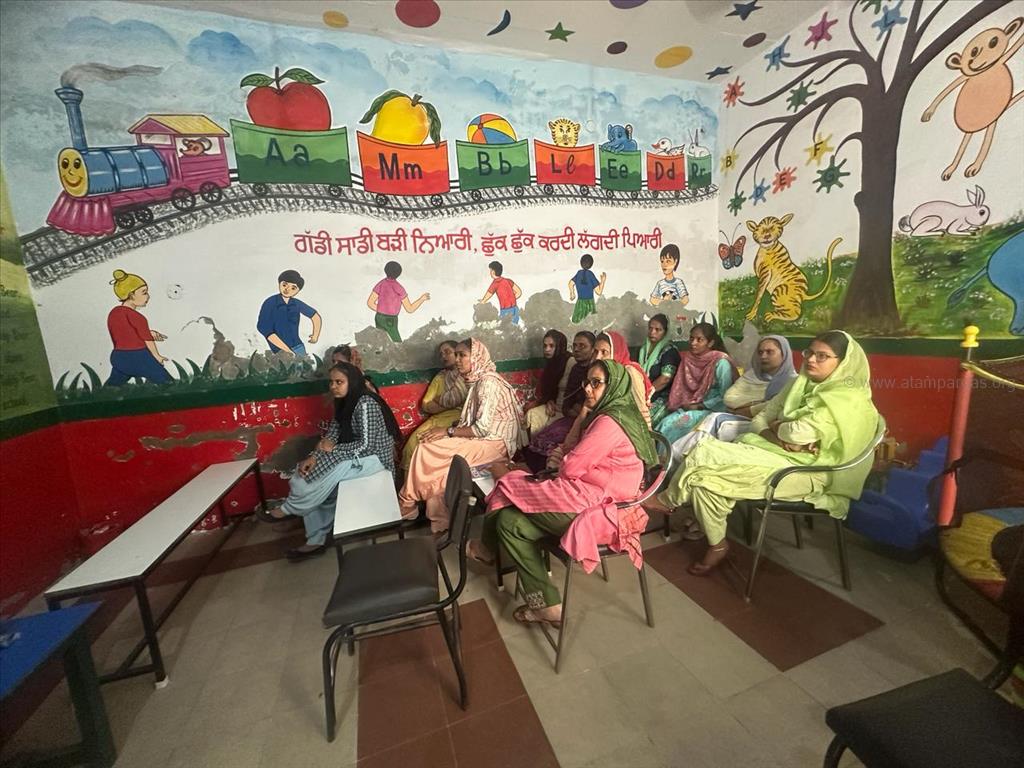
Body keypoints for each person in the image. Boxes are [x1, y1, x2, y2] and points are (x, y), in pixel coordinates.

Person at [647, 331, 879, 576]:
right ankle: (717, 544)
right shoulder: (799, 384)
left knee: (704, 456)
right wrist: (776, 433)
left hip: (810, 471)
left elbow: (796, 433)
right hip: (774, 452)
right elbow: (761, 418)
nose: (811, 359)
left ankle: (669, 500)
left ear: (842, 363)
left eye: (822, 356)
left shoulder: (849, 400)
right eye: (810, 352)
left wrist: (781, 427)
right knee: (703, 478)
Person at [467, 359, 657, 626]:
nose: (588, 389)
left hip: (606, 511)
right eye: (587, 382)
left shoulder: (610, 422)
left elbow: (569, 466)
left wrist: (568, 463)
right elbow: (568, 453)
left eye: (596, 383)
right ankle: (548, 606)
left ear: (614, 386)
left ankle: (486, 548)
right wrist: (581, 417)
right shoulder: (606, 414)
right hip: (591, 495)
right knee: (509, 522)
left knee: (510, 485)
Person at [262, 362, 401, 561]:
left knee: (318, 480)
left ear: (352, 382)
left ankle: (288, 509)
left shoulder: (365, 403)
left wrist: (333, 450)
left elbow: (367, 445)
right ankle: (315, 541)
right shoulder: (343, 402)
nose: (333, 387)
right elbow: (333, 434)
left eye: (339, 382)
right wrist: (314, 456)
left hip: (375, 460)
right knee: (316, 481)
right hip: (355, 454)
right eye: (331, 382)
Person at [400, 338, 525, 533]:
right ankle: (441, 524)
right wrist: (448, 431)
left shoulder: (488, 383)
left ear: (476, 357)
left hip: (495, 444)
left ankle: (407, 502)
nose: (457, 360)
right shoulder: (476, 381)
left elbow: (482, 429)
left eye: (462, 355)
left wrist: (447, 431)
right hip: (482, 439)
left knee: (426, 451)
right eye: (456, 355)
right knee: (438, 469)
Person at [672, 335, 797, 460]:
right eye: (760, 352)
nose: (763, 356)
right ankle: (677, 455)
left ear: (784, 354)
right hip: (744, 417)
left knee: (716, 420)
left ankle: (675, 456)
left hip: (767, 425)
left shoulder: (793, 382)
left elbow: (775, 408)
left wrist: (750, 408)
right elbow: (729, 399)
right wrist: (758, 404)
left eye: (769, 352)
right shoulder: (753, 375)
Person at [521, 331, 595, 471]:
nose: (577, 349)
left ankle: (550, 470)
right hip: (568, 412)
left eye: (582, 346)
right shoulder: (576, 369)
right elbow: (564, 397)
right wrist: (551, 401)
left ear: (592, 349)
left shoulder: (593, 371)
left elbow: (586, 403)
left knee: (550, 441)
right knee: (539, 438)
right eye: (575, 346)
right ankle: (538, 471)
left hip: (583, 416)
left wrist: (578, 410)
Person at [654, 322, 736, 444]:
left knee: (673, 425)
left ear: (710, 343)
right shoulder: (688, 358)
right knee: (662, 424)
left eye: (699, 340)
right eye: (691, 338)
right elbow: (681, 387)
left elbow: (726, 397)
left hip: (712, 409)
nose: (693, 343)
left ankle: (672, 455)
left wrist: (699, 405)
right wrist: (687, 404)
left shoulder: (720, 363)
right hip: (687, 405)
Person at [400, 341, 469, 469]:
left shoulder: (470, 376)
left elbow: (464, 398)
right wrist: (448, 403)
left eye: (447, 352)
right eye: (441, 354)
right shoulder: (441, 377)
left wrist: (440, 400)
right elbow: (426, 405)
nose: (444, 357)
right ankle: (413, 479)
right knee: (414, 443)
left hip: (464, 418)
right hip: (441, 418)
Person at [105, 269, 172, 385]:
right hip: (138, 356)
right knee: (167, 382)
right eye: (144, 292)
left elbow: (124, 333)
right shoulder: (138, 317)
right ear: (131, 295)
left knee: (112, 386)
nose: (148, 296)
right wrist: (157, 356)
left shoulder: (114, 313)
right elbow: (147, 340)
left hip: (119, 357)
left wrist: (148, 332)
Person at [257, 269, 322, 355]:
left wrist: (315, 336)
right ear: (279, 283)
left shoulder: (295, 303)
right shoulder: (270, 302)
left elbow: (315, 316)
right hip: (279, 350)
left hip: (298, 346)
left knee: (304, 363)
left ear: (298, 291)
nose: (287, 289)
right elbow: (264, 328)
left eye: (293, 288)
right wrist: (287, 351)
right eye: (284, 285)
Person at [522, 330, 573, 437]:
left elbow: (569, 390)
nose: (547, 349)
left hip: (567, 409)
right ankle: (533, 445)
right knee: (531, 414)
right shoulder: (551, 364)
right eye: (545, 346)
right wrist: (549, 401)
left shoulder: (570, 362)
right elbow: (550, 391)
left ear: (560, 346)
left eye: (551, 346)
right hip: (553, 405)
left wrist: (545, 402)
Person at [366, 261, 429, 343]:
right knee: (397, 343)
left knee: (381, 342)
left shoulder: (381, 284)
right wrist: (422, 299)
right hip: (391, 320)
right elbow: (410, 309)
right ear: (399, 273)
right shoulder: (399, 288)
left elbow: (370, 303)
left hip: (379, 317)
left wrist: (382, 309)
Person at [639, 314, 681, 425]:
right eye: (650, 328)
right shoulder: (644, 350)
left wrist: (646, 394)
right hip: (645, 393)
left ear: (665, 332)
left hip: (664, 396)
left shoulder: (670, 351)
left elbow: (665, 379)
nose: (652, 332)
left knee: (644, 421)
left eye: (658, 330)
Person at [568, 253, 606, 323]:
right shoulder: (590, 274)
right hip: (589, 303)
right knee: (590, 322)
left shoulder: (579, 273)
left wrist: (572, 293)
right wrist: (603, 281)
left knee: (576, 321)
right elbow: (599, 292)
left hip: (580, 302)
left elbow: (570, 283)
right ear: (591, 264)